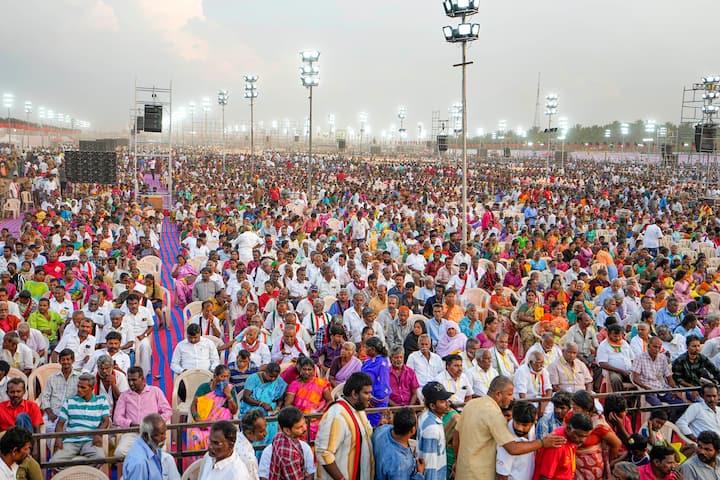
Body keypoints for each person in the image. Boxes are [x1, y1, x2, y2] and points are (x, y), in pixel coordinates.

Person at [454, 376, 565, 480]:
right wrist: (542, 443)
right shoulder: (494, 414)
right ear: (498, 394)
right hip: (480, 475)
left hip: (462, 471)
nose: (512, 398)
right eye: (509, 394)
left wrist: (458, 460)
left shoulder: (470, 404)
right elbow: (512, 448)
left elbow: (456, 438)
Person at [315, 372, 374, 480]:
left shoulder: (358, 410)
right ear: (354, 394)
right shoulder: (336, 414)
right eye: (366, 393)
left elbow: (365, 436)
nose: (370, 397)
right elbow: (324, 453)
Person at [113, 366, 173, 457]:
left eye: (134, 380)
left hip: (152, 433)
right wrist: (131, 424)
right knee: (119, 453)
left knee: (161, 453)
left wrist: (155, 423)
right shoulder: (124, 396)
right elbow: (117, 418)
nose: (131, 383)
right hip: (132, 432)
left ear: (142, 379)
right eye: (129, 380)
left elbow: (167, 411)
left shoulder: (155, 391)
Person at [51, 373, 111, 463]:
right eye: (78, 386)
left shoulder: (101, 400)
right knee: (54, 462)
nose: (79, 389)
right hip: (71, 440)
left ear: (92, 388)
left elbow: (105, 421)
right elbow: (60, 424)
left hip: (90, 441)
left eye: (83, 388)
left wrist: (98, 434)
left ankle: (83, 475)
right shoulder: (69, 401)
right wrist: (58, 439)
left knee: (100, 457)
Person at [567, 390, 622, 480]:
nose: (573, 410)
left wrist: (608, 461)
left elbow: (616, 444)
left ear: (586, 409)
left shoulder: (598, 424)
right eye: (572, 407)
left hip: (592, 467)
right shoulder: (571, 415)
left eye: (576, 408)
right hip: (573, 464)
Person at [188, 365, 239, 453]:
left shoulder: (230, 389)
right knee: (195, 436)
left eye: (227, 377)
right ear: (215, 376)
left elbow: (234, 411)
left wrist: (229, 396)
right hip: (204, 423)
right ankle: (197, 465)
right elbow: (193, 405)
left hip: (222, 424)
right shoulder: (204, 388)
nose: (224, 379)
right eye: (222, 376)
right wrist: (198, 420)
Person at [532, 413, 594, 480]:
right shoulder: (557, 444)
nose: (583, 440)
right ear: (568, 429)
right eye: (580, 436)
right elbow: (544, 477)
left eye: (585, 436)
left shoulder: (570, 437)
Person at [285, 355, 333, 440]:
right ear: (300, 370)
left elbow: (329, 400)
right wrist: (299, 416)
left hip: (318, 418)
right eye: (304, 369)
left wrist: (321, 412)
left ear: (314, 370)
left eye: (309, 369)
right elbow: (288, 404)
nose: (307, 372)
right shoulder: (294, 384)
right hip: (300, 419)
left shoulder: (321, 383)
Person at [631, 336, 686, 408]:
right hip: (648, 390)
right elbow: (636, 379)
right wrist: (646, 388)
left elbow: (669, 378)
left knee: (681, 404)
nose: (657, 350)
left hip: (662, 389)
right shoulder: (639, 358)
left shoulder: (662, 358)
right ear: (648, 346)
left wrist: (675, 388)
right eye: (654, 347)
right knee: (658, 407)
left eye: (659, 348)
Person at [372, 407, 425, 480]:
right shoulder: (400, 464)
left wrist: (382, 424)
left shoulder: (381, 430)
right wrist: (419, 474)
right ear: (412, 430)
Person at [123, 414, 180, 480]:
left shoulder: (150, 444)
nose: (164, 437)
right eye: (159, 435)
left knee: (169, 459)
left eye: (164, 433)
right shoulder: (140, 463)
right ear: (146, 435)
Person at [417, 381, 452, 480]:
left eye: (447, 400)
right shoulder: (432, 429)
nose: (447, 404)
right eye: (442, 401)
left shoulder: (426, 416)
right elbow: (430, 465)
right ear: (432, 406)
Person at [496, 401, 538, 480]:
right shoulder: (506, 440)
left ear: (533, 423)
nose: (519, 428)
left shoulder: (531, 427)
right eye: (517, 423)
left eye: (524, 425)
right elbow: (502, 476)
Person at [40, 349, 80, 432]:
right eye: (63, 359)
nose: (65, 362)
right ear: (59, 361)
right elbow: (45, 397)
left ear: (73, 361)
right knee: (46, 428)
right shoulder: (52, 378)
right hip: (53, 413)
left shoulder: (79, 377)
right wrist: (50, 413)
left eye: (68, 359)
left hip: (72, 414)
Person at [673, 335, 720, 400]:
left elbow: (714, 371)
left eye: (698, 346)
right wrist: (692, 388)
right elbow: (679, 380)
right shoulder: (680, 360)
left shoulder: (701, 358)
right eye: (694, 346)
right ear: (687, 347)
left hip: (699, 385)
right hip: (685, 388)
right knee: (702, 402)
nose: (697, 348)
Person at [268, 407, 307, 480]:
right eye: (299, 427)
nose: (305, 428)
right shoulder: (289, 456)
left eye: (304, 423)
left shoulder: (279, 436)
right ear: (287, 431)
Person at [360, 337, 391, 426]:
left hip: (377, 401)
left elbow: (383, 383)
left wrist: (372, 399)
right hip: (366, 398)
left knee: (375, 425)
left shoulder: (382, 363)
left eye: (366, 347)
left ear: (373, 349)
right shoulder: (368, 361)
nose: (364, 349)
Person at [235, 410, 267, 480]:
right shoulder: (249, 459)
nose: (265, 433)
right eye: (261, 431)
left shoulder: (235, 437)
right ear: (249, 433)